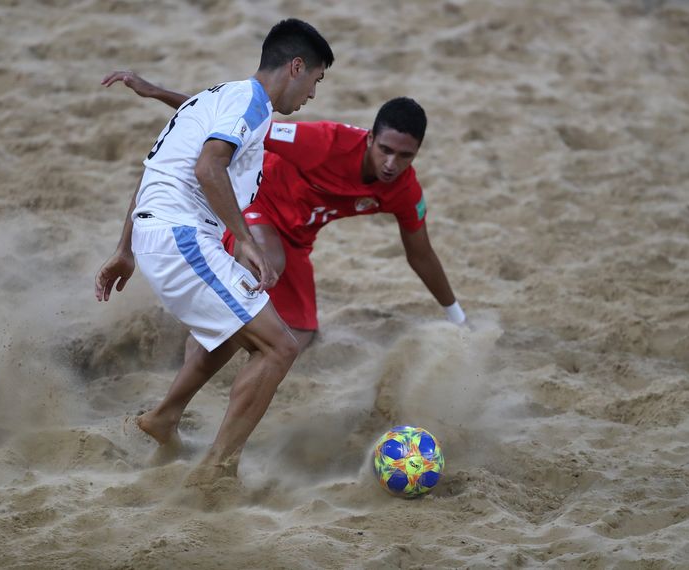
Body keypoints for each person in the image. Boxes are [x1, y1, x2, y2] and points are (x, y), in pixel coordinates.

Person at [94, 19, 334, 485]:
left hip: (161, 233)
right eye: (315, 80)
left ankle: (163, 418)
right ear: (296, 67)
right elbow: (208, 168)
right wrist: (243, 238)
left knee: (232, 326)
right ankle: (218, 471)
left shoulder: (217, 98)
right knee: (280, 347)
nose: (312, 95)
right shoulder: (250, 104)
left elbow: (157, 170)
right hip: (182, 237)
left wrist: (125, 248)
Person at [101, 72, 468, 351]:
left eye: (405, 156)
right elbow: (233, 124)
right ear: (370, 138)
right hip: (257, 206)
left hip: (298, 238)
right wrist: (158, 92)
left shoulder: (404, 189)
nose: (392, 163)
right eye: (385, 150)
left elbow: (420, 254)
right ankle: (205, 333)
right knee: (266, 265)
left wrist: (458, 318)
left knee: (303, 335)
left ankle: (230, 335)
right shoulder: (324, 143)